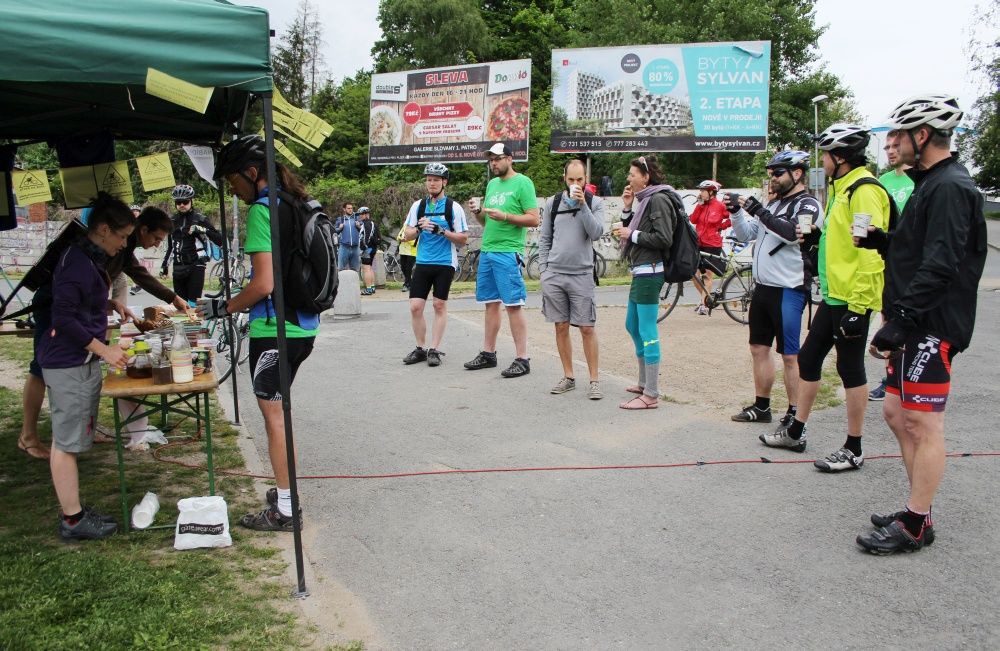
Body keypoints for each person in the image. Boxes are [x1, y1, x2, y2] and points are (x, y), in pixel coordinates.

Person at [856, 94, 985, 554]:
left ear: (922, 135)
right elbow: (919, 249)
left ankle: (914, 524)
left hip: (933, 323)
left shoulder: (950, 187)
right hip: (913, 322)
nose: (893, 143)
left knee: (921, 423)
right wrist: (884, 241)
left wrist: (902, 320)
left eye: (898, 134)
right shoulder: (928, 183)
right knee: (895, 414)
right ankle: (919, 511)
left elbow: (943, 263)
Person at [202, 135, 320, 532]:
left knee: (274, 418)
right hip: (303, 325)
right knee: (280, 413)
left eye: (233, 180)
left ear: (252, 173)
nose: (232, 189)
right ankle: (285, 493)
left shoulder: (261, 210)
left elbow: (263, 283)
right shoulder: (295, 203)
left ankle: (286, 509)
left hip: (274, 329)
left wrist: (225, 305)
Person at [760, 125, 889, 472]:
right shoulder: (840, 188)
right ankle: (796, 431)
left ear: (840, 156)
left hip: (853, 298)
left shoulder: (863, 190)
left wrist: (860, 307)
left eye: (826, 155)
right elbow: (843, 239)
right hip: (833, 295)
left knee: (850, 369)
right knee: (809, 359)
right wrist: (817, 237)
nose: (822, 162)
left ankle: (854, 447)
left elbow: (871, 252)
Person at [39, 192, 133, 540]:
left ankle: (74, 508)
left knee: (71, 438)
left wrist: (107, 302)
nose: (124, 245)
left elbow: (78, 299)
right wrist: (104, 350)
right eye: (121, 237)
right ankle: (73, 519)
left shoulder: (85, 257)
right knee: (65, 443)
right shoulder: (77, 262)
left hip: (76, 360)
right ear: (104, 229)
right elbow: (62, 317)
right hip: (68, 362)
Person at [725, 150, 822, 429]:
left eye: (778, 173)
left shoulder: (807, 204)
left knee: (790, 355)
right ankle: (762, 406)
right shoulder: (775, 204)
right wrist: (736, 214)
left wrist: (757, 208)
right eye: (771, 174)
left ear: (798, 173)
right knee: (758, 348)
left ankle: (794, 412)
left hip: (789, 288)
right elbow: (747, 234)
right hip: (764, 288)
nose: (773, 179)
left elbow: (793, 234)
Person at [463, 143, 539, 378]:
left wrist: (506, 215)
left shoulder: (523, 182)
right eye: (491, 160)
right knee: (491, 303)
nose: (493, 163)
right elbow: (488, 223)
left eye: (497, 159)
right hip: (488, 250)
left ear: (510, 159)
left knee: (513, 304)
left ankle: (522, 358)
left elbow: (534, 219)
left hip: (508, 251)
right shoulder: (493, 184)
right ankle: (488, 353)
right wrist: (478, 212)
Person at [613, 155, 677, 410]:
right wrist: (628, 208)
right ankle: (643, 382)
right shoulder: (644, 200)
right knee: (633, 325)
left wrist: (633, 234)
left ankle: (651, 393)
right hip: (640, 270)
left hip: (651, 271)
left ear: (646, 176)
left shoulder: (658, 199)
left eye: (632, 174)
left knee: (648, 331)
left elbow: (664, 238)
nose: (629, 179)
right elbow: (635, 230)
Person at [538, 159, 605, 399]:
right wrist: (544, 271)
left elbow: (596, 233)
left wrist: (583, 204)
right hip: (554, 273)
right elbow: (544, 238)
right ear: (564, 178)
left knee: (587, 327)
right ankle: (568, 376)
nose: (575, 183)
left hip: (582, 274)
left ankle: (594, 380)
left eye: (579, 179)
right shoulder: (552, 203)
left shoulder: (595, 203)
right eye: (571, 180)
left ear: (585, 179)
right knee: (561, 325)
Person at [401, 163, 469, 366]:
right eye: (429, 180)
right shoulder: (418, 206)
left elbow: (463, 238)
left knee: (439, 305)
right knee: (415, 307)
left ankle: (434, 349)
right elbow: (406, 235)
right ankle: (420, 348)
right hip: (422, 261)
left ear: (444, 182)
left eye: (436, 180)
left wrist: (443, 232)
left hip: (445, 263)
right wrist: (419, 229)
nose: (431, 183)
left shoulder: (453, 207)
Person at [868, 134, 915, 401]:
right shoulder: (883, 181)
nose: (890, 151)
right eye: (887, 147)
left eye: (895, 146)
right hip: (888, 255)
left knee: (908, 318)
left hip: (910, 259)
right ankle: (890, 378)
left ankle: (906, 376)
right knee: (888, 318)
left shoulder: (919, 180)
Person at [159, 184, 224, 305]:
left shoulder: (200, 219)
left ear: (191, 201)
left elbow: (220, 240)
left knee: (193, 304)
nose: (182, 205)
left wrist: (203, 230)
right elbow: (171, 246)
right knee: (181, 305)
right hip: (178, 267)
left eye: (185, 201)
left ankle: (196, 323)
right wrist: (165, 265)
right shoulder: (172, 221)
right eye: (178, 202)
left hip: (196, 265)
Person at [688, 179, 731, 314]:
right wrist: (699, 205)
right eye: (700, 191)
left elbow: (732, 218)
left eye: (702, 191)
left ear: (711, 192)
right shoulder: (701, 205)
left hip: (713, 244)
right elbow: (693, 220)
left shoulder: (720, 206)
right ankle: (707, 299)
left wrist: (721, 226)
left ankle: (704, 304)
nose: (700, 193)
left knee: (707, 276)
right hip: (698, 243)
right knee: (693, 274)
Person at [357, 207, 380, 295]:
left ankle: (369, 289)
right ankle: (372, 287)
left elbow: (367, 236)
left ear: (366, 214)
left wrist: (364, 247)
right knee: (369, 268)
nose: (360, 216)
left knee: (366, 269)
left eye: (362, 214)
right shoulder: (372, 223)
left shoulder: (367, 223)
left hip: (368, 249)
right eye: (360, 214)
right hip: (372, 248)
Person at [334, 202, 361, 272]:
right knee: (340, 269)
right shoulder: (340, 219)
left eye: (351, 208)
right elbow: (334, 232)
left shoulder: (357, 218)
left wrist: (359, 227)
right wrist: (339, 228)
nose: (350, 210)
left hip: (355, 248)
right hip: (344, 248)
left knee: (355, 270)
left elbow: (363, 231)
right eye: (348, 208)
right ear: (344, 209)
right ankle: (340, 283)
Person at [395, 220, 417, 292]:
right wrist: (400, 238)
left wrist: (407, 239)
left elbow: (416, 239)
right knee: (403, 267)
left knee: (408, 268)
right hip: (403, 251)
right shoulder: (405, 226)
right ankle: (410, 283)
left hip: (411, 252)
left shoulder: (416, 228)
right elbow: (398, 236)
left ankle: (406, 284)